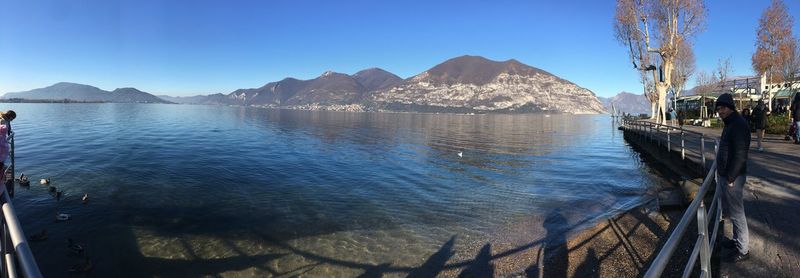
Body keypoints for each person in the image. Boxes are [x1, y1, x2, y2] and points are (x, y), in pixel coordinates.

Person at [714, 93, 751, 263]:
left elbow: (740, 155)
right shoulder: (730, 123)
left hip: (733, 178)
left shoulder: (738, 125)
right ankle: (737, 242)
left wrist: (730, 178)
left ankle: (743, 250)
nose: (719, 112)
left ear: (729, 107)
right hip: (728, 176)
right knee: (734, 213)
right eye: (718, 109)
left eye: (721, 108)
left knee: (737, 214)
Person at [0, 110, 15, 197]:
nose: (12, 120)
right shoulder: (3, 120)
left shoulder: (5, 120)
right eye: (13, 118)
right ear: (10, 116)